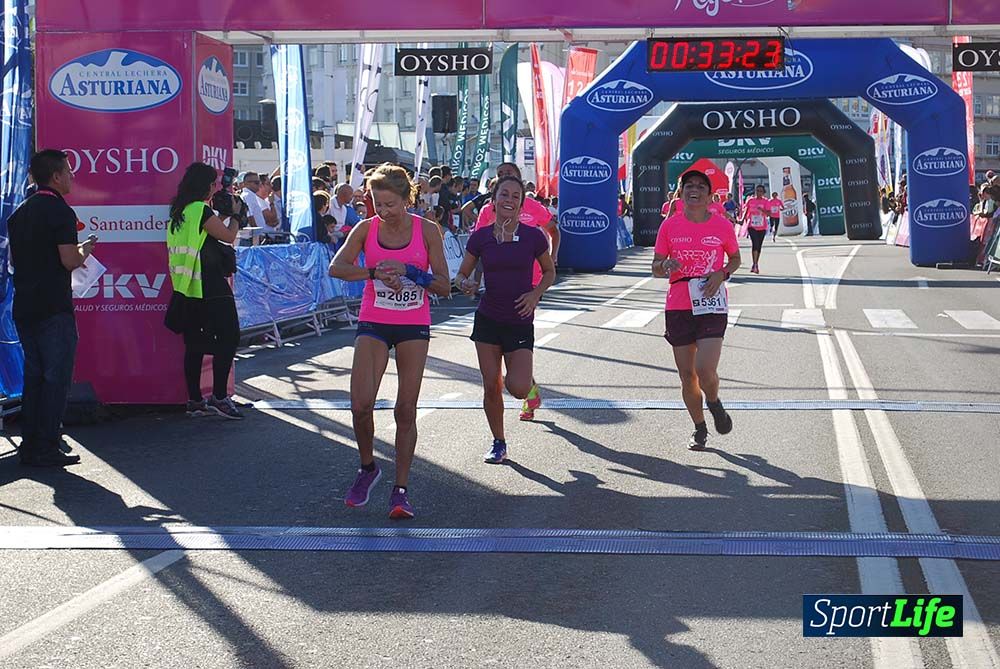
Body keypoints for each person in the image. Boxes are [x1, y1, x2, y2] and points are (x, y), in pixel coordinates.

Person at [329, 163, 450, 519]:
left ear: (406, 199)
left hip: (413, 321)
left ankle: (400, 490)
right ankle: (368, 468)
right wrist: (374, 272)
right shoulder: (367, 229)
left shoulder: (427, 230)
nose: (383, 212)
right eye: (377, 204)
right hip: (375, 319)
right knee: (360, 404)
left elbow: (444, 284)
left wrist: (412, 272)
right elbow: (337, 267)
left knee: (404, 410)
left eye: (390, 205)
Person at [455, 176, 556, 464]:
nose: (509, 200)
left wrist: (535, 295)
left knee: (519, 387)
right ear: (494, 199)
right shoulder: (481, 237)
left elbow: (549, 272)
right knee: (490, 386)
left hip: (520, 318)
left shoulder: (534, 236)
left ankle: (522, 387)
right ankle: (499, 442)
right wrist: (465, 284)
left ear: (521, 203)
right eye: (504, 195)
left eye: (515, 196)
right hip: (488, 318)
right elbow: (462, 274)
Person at [8, 149, 95, 466]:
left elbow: (16, 261)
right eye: (69, 171)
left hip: (25, 304)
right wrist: (85, 249)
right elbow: (69, 260)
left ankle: (31, 443)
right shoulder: (61, 211)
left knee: (34, 378)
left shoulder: (19, 212)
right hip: (53, 306)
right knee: (56, 379)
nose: (73, 176)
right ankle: (46, 445)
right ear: (56, 176)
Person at [653, 170, 741, 451]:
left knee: (705, 369)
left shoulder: (722, 225)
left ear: (709, 194)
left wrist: (722, 273)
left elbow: (736, 258)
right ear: (681, 193)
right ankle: (700, 428)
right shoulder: (669, 227)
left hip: (711, 303)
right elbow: (655, 267)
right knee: (687, 375)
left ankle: (713, 402)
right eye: (689, 186)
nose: (694, 190)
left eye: (700, 187)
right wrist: (665, 266)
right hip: (679, 304)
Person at [472, 162, 560, 421]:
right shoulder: (488, 212)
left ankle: (524, 389)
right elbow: (477, 251)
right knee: (498, 355)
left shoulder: (533, 208)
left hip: (529, 284)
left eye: (510, 177)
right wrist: (474, 280)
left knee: (516, 342)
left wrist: (552, 258)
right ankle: (524, 386)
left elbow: (554, 231)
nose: (505, 181)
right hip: (496, 286)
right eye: (500, 177)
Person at [166, 162, 244, 420]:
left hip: (187, 287)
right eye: (213, 184)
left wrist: (221, 214)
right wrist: (236, 216)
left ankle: (195, 400)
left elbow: (205, 233)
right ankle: (220, 396)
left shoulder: (180, 211)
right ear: (204, 186)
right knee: (228, 338)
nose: (215, 188)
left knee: (195, 345)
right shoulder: (201, 209)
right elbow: (227, 236)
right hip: (211, 285)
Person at [239, 171, 280, 236]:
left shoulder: (251, 195)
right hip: (253, 237)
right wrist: (257, 234)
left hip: (257, 235)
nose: (259, 185)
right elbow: (250, 217)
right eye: (256, 183)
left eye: (259, 182)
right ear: (246, 183)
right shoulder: (248, 196)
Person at [743, 185, 771, 274]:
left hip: (762, 227)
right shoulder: (750, 200)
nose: (758, 192)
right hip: (752, 226)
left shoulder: (766, 201)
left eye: (760, 191)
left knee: (759, 245)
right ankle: (754, 264)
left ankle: (756, 263)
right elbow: (746, 211)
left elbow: (769, 213)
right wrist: (742, 219)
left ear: (763, 192)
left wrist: (762, 210)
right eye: (757, 190)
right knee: (754, 243)